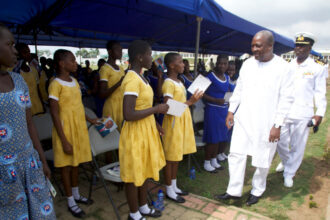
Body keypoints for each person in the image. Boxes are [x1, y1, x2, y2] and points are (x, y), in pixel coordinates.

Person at [216, 30, 294, 206]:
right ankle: (233, 191)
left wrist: (278, 125)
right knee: (236, 154)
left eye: (258, 46)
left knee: (263, 157)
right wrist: (231, 111)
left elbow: (287, 98)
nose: (254, 49)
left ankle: (257, 190)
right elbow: (239, 89)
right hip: (244, 118)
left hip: (267, 122)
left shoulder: (283, 67)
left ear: (270, 46)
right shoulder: (248, 64)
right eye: (252, 45)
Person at [0, 23, 56, 219]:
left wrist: (41, 159)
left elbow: (29, 123)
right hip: (4, 171)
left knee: (40, 211)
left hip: (28, 163)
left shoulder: (19, 80)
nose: (15, 51)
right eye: (10, 45)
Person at [119, 40, 169, 220]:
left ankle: (143, 207)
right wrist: (156, 110)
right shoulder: (132, 79)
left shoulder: (142, 77)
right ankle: (133, 214)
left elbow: (143, 106)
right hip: (134, 134)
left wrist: (155, 124)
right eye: (149, 54)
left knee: (144, 171)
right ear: (139, 57)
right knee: (134, 175)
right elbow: (128, 113)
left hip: (146, 131)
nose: (152, 58)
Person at [49, 49, 98, 218]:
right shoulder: (55, 84)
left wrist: (90, 120)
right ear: (62, 63)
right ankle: (70, 201)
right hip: (65, 130)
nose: (75, 63)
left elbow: (77, 106)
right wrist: (63, 140)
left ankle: (77, 194)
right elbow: (55, 113)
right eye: (72, 60)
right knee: (66, 166)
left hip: (78, 128)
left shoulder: (75, 82)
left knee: (76, 163)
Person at [275, 32, 327, 187]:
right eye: (297, 45)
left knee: (298, 145)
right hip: (284, 111)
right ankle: (287, 162)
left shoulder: (316, 68)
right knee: (280, 142)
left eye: (303, 46)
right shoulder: (287, 66)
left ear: (310, 48)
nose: (299, 49)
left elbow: (320, 93)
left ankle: (289, 173)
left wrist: (319, 114)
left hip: (303, 112)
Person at [162, 53, 203, 203]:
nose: (184, 65)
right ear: (172, 65)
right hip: (173, 123)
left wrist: (192, 100)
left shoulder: (178, 81)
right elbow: (168, 106)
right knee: (170, 158)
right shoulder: (168, 83)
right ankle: (169, 189)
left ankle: (174, 186)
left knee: (176, 156)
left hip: (181, 121)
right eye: (181, 62)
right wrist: (190, 102)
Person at [202, 55, 235, 172]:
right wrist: (215, 100)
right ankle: (206, 162)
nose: (222, 65)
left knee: (220, 137)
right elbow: (199, 92)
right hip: (213, 110)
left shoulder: (226, 77)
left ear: (227, 65)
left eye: (224, 64)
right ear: (216, 64)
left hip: (224, 110)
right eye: (220, 63)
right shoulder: (209, 76)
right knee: (212, 138)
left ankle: (214, 159)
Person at [99, 41, 125, 131]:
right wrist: (118, 84)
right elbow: (102, 94)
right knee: (108, 137)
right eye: (117, 50)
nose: (120, 52)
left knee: (122, 138)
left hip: (122, 107)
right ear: (110, 51)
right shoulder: (105, 69)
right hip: (110, 108)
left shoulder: (121, 68)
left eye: (121, 50)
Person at [15, 43, 44, 115]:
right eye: (25, 52)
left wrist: (42, 103)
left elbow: (37, 88)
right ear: (17, 54)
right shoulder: (14, 71)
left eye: (28, 52)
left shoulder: (33, 70)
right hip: (24, 108)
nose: (28, 54)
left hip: (37, 105)